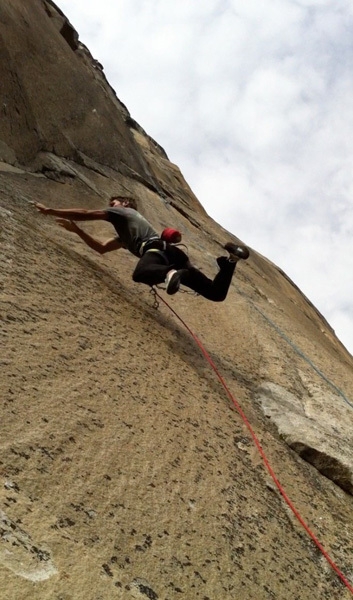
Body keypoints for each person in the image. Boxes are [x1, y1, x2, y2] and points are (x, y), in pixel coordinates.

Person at [34, 195, 249, 301]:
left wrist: (50, 211)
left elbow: (87, 213)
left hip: (159, 253)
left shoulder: (124, 213)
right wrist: (76, 231)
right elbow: (101, 248)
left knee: (140, 273)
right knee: (215, 293)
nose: (111, 205)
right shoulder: (127, 235)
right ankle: (230, 262)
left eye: (114, 202)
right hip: (174, 255)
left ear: (125, 204)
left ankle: (172, 274)